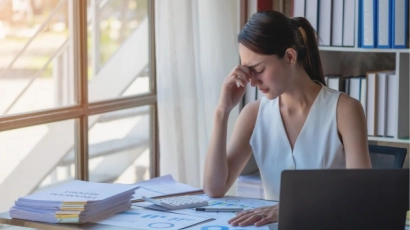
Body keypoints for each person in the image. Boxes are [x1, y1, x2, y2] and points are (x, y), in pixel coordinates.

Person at [203, 10, 372, 227]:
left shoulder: (345, 110)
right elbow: (214, 188)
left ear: (290, 57)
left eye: (258, 69)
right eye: (247, 71)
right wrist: (222, 111)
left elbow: (363, 193)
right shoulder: (253, 115)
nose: (252, 82)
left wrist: (295, 206)